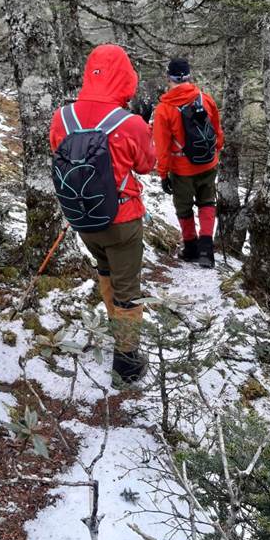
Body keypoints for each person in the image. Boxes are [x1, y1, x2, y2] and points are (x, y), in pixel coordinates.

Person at [49, 44, 156, 385]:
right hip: (122, 220)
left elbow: (59, 154)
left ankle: (116, 331)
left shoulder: (62, 117)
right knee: (129, 290)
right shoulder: (130, 122)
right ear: (126, 78)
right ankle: (126, 363)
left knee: (105, 271)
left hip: (82, 218)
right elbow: (147, 164)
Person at [152, 57, 224, 268]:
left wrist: (163, 174)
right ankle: (206, 250)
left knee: (184, 208)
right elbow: (218, 133)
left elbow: (162, 148)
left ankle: (191, 248)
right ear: (189, 76)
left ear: (169, 77)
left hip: (182, 168)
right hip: (208, 163)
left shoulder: (164, 109)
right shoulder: (205, 99)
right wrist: (215, 152)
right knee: (207, 202)